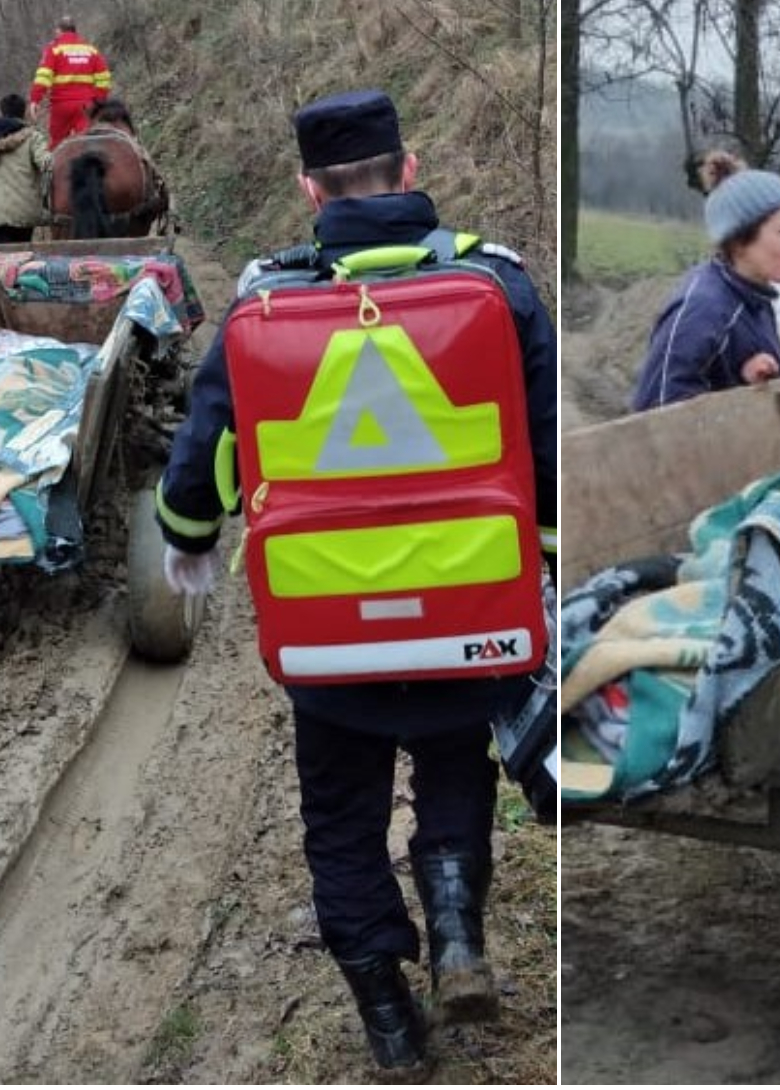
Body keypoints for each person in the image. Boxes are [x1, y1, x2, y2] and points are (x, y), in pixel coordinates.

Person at [153, 89, 558, 1075]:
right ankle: (458, 940)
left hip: (330, 628)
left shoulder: (262, 302)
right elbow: (548, 457)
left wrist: (188, 536)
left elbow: (204, 463)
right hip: (470, 608)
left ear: (307, 189)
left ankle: (386, 1017)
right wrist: (542, 560)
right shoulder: (498, 287)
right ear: (408, 170)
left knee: (339, 814)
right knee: (455, 770)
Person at [630, 150, 780, 411]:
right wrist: (739, 389)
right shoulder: (704, 309)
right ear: (738, 240)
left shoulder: (756, 297)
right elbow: (657, 408)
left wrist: (747, 380)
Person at [0, 92, 49, 245]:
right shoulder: (33, 137)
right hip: (23, 214)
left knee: (0, 263)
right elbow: (47, 165)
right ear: (24, 112)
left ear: (2, 111)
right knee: (21, 260)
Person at [27, 14, 111, 149]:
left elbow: (43, 76)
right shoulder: (90, 49)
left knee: (57, 146)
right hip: (86, 106)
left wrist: (35, 100)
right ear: (75, 30)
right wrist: (99, 100)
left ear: (59, 31)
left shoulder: (54, 49)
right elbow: (104, 77)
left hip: (61, 107)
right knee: (88, 146)